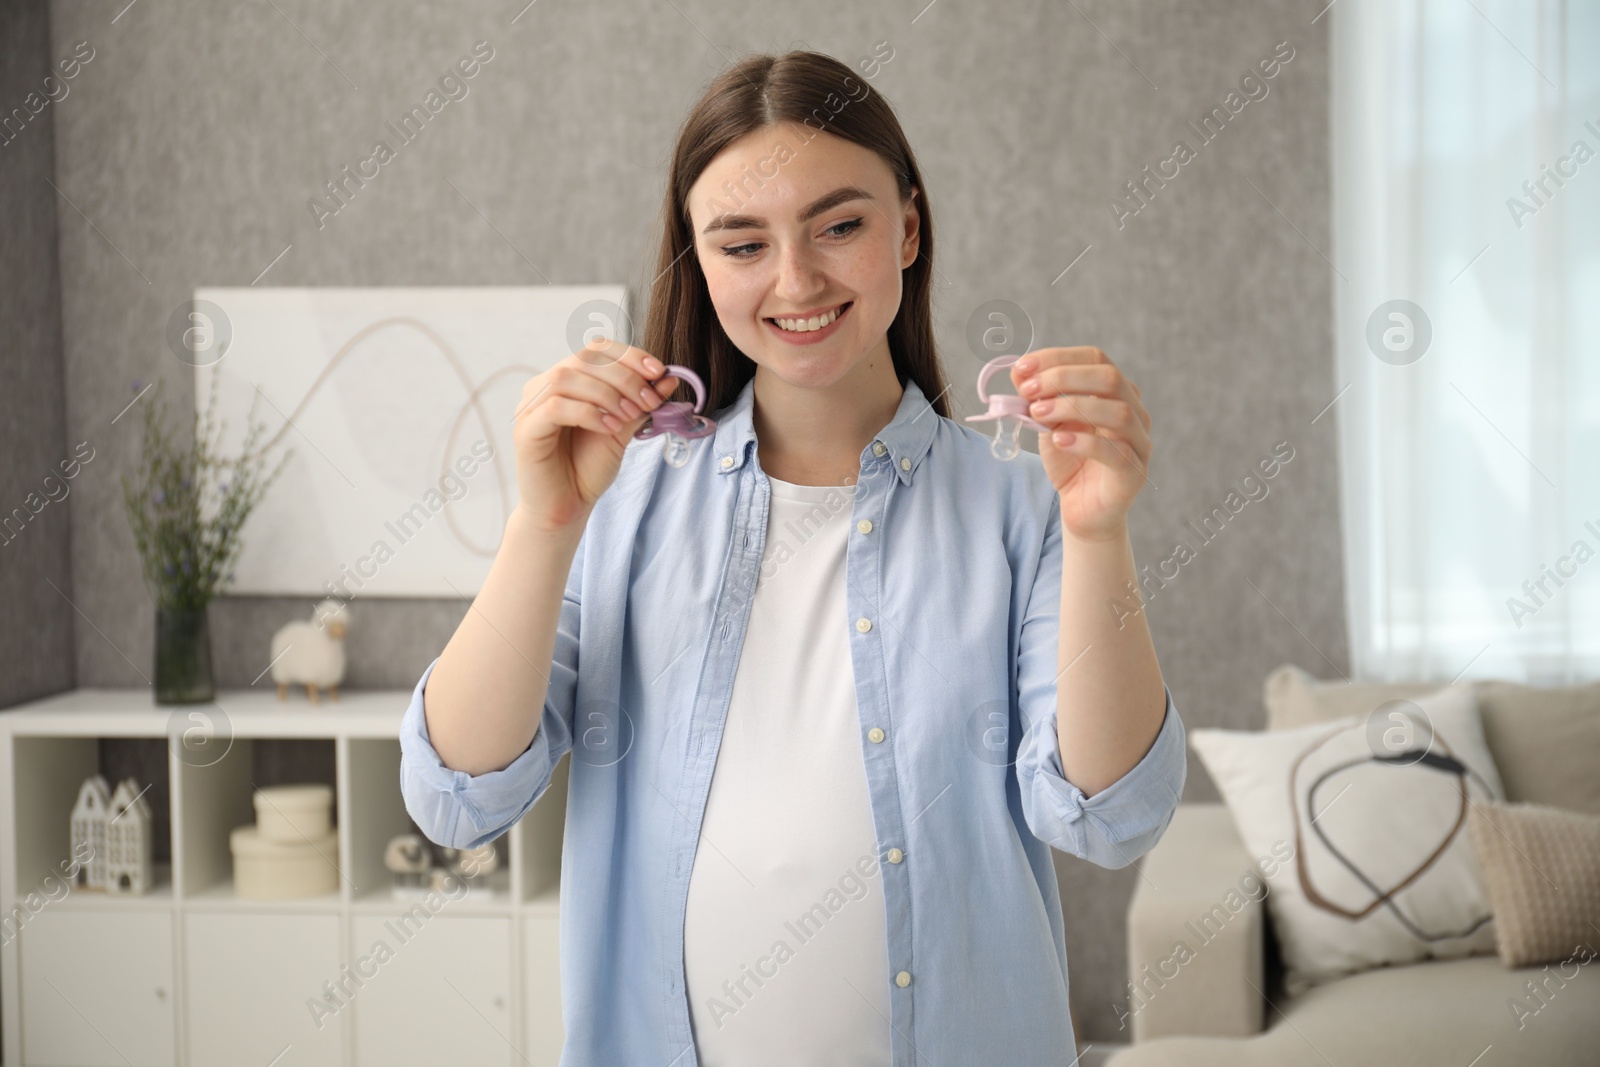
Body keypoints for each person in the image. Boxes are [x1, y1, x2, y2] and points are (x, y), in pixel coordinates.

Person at [400, 49, 1186, 1067]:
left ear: (907, 227)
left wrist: (1097, 531)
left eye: (840, 225)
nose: (797, 279)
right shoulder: (615, 503)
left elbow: (1111, 816)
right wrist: (543, 523)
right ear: (697, 261)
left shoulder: (1019, 504)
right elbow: (457, 795)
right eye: (741, 244)